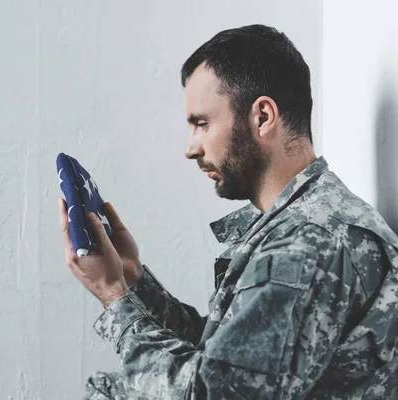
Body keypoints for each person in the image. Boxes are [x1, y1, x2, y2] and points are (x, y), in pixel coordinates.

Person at [57, 24, 398, 399]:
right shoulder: (298, 225)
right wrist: (133, 279)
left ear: (263, 117)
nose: (191, 148)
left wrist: (113, 296)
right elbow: (225, 358)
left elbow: (212, 393)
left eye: (202, 124)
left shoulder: (310, 241)